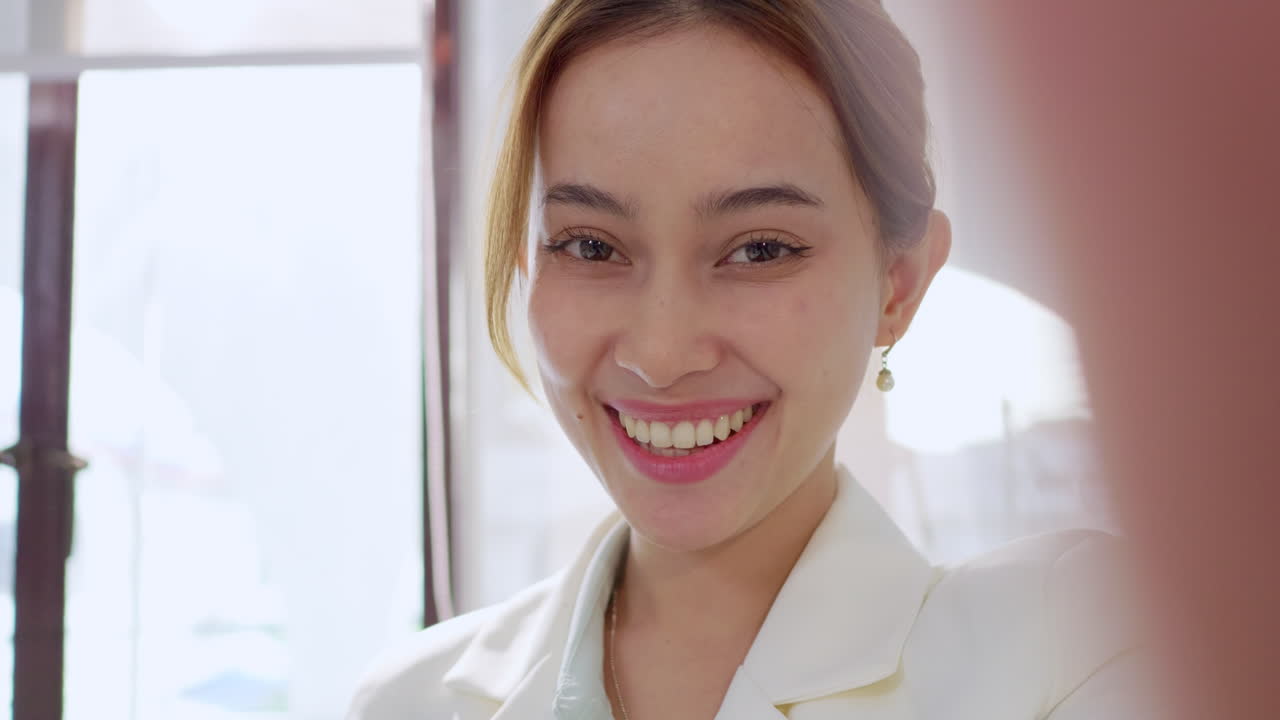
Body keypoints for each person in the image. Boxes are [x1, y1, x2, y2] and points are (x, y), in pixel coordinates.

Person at [347, 1, 1146, 718]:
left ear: (899, 282)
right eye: (592, 246)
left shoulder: (1069, 651)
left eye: (759, 249)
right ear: (530, 267)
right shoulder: (407, 702)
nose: (661, 355)